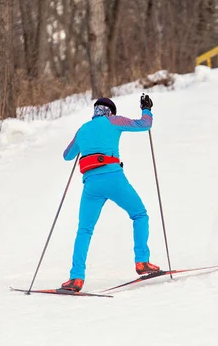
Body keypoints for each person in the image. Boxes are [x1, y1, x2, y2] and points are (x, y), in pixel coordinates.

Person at [60, 95, 160, 292]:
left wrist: (84, 143)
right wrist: (146, 108)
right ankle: (142, 262)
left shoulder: (83, 129)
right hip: (114, 178)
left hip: (91, 185)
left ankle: (76, 278)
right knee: (140, 215)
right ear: (110, 111)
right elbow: (144, 124)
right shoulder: (114, 121)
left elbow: (67, 156)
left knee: (84, 230)